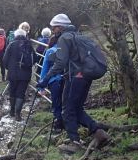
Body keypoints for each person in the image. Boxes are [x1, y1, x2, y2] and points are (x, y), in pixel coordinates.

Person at [37, 13, 109, 148]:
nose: (53, 31)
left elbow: (60, 63)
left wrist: (45, 80)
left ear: (60, 27)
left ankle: (75, 142)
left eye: (54, 28)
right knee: (76, 107)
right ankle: (98, 132)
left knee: (68, 108)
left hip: (77, 76)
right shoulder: (77, 35)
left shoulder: (64, 38)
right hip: (85, 74)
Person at [2, 28, 35, 120]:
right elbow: (35, 58)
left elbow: (4, 60)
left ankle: (12, 111)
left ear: (16, 35)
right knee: (21, 93)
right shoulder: (29, 45)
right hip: (25, 74)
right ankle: (18, 114)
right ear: (25, 35)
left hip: (13, 73)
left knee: (12, 91)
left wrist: (9, 68)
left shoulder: (11, 44)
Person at [37, 34, 64, 130]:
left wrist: (41, 87)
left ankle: (58, 125)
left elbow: (44, 70)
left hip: (54, 81)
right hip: (67, 80)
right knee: (65, 102)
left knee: (56, 103)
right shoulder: (67, 51)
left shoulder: (50, 51)